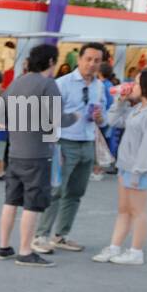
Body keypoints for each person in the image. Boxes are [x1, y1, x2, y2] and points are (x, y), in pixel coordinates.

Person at [0, 43, 75, 267]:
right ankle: (25, 251)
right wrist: (78, 117)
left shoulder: (17, 81)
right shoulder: (47, 84)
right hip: (38, 154)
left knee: (10, 200)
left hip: (15, 152)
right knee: (32, 203)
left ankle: (4, 247)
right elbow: (58, 118)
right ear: (51, 61)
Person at [33, 41, 106, 254]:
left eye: (97, 60)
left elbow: (103, 117)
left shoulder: (99, 86)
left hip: (87, 142)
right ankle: (40, 235)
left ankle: (61, 235)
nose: (92, 64)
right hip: (64, 142)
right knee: (56, 190)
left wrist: (100, 118)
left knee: (76, 192)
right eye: (88, 59)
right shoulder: (62, 83)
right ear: (79, 60)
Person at [91, 71, 147, 266]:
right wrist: (120, 101)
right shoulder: (137, 109)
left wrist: (138, 171)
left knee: (138, 211)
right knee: (124, 210)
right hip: (125, 166)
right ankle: (115, 247)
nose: (132, 86)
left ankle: (136, 251)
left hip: (139, 169)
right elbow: (112, 121)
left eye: (136, 83)